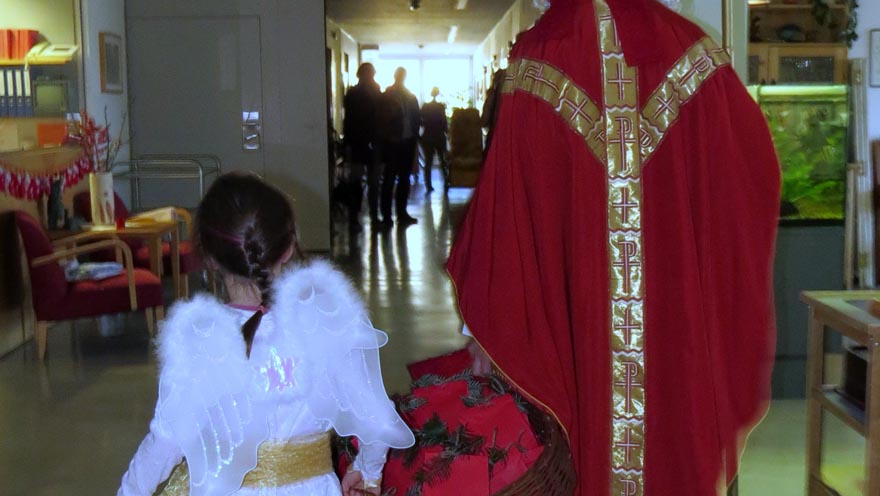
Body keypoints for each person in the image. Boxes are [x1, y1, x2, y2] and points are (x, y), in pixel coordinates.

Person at [447, 1, 780, 495]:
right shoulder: (692, 51)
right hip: (673, 318)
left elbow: (507, 217)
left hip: (579, 313)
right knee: (673, 438)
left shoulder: (539, 55)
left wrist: (486, 327)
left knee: (587, 438)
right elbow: (754, 175)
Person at [118, 172, 415, 495]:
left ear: (210, 258)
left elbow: (165, 444)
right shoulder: (327, 324)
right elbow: (373, 416)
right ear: (288, 247)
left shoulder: (199, 343)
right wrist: (367, 471)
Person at [378, 67, 420, 228]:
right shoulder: (387, 95)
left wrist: (415, 137)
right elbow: (382, 118)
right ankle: (387, 216)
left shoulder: (410, 96)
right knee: (389, 180)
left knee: (404, 179)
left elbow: (416, 118)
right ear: (395, 76)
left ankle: (402, 213)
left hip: (407, 141)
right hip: (392, 143)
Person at [343, 63, 383, 229]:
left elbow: (348, 121)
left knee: (362, 181)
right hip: (366, 141)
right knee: (366, 182)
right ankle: (367, 217)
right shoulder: (369, 92)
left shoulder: (354, 93)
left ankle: (358, 217)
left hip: (360, 141)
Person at [419, 86, 448, 193]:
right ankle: (446, 181)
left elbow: (420, 121)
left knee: (428, 161)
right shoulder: (441, 107)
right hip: (439, 136)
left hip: (428, 136)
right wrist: (447, 133)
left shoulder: (425, 106)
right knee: (442, 160)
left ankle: (428, 184)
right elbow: (444, 123)